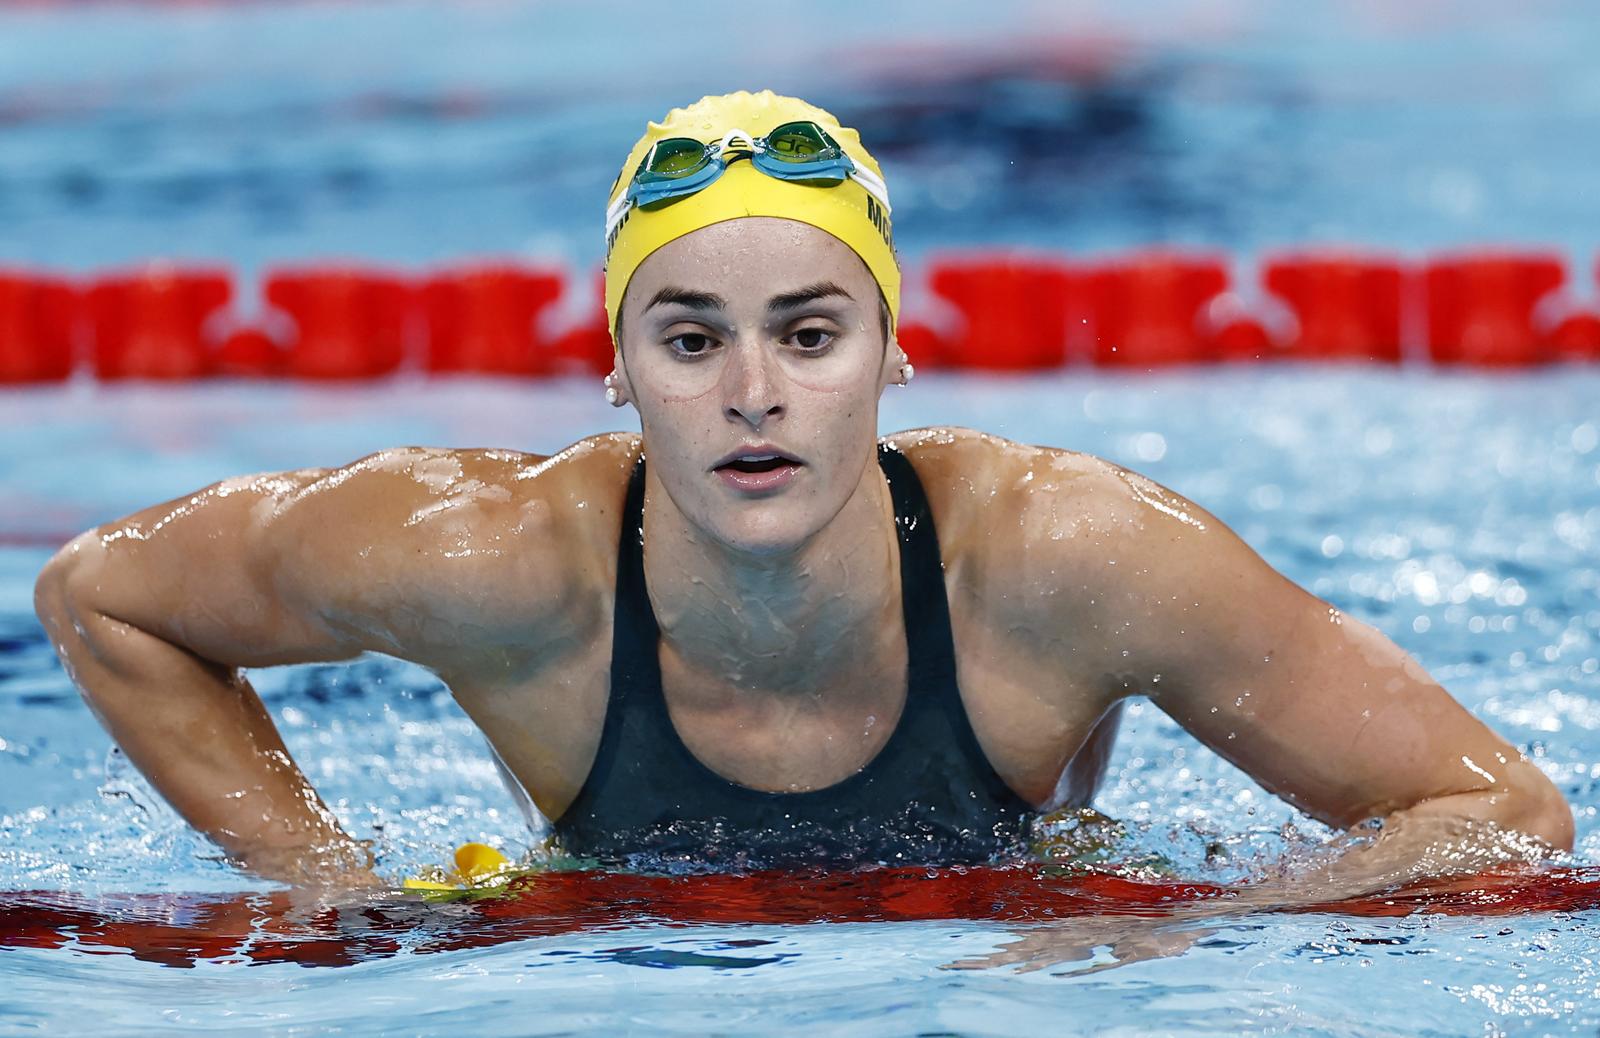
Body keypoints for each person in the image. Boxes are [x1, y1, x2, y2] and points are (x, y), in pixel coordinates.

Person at [32, 91, 1572, 890]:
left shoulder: (1065, 557)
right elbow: (101, 593)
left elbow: (1500, 812)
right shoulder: (486, 555)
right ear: (619, 368)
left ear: (893, 354)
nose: (753, 392)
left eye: (810, 334)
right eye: (690, 338)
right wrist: (329, 894)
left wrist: (1181, 931)